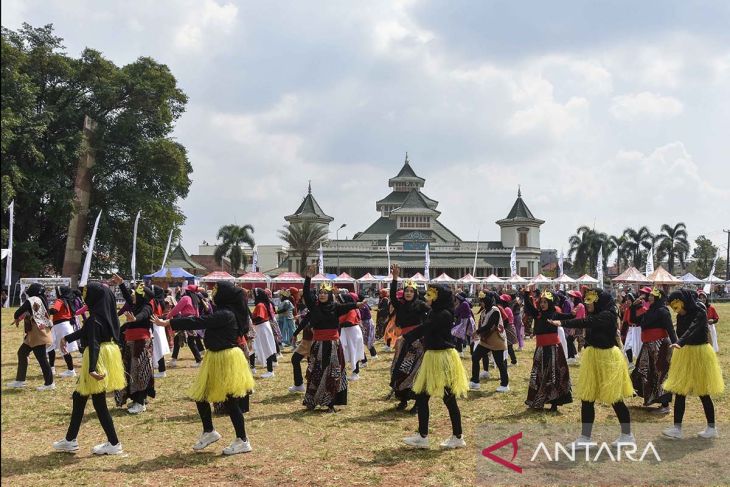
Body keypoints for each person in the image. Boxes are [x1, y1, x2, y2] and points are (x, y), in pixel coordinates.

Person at [153, 281, 256, 454]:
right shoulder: (226, 312)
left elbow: (199, 320)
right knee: (201, 396)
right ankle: (209, 432)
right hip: (215, 357)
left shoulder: (226, 314)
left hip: (227, 359)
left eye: (216, 291)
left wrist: (170, 322)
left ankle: (242, 440)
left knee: (231, 401)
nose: (213, 294)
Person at [548, 288, 636, 447]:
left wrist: (563, 322)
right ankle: (585, 438)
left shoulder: (608, 315)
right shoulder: (595, 314)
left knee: (615, 398)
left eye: (590, 300)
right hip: (592, 357)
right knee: (587, 398)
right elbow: (585, 320)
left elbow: (585, 322)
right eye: (585, 300)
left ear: (598, 301)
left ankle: (627, 435)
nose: (586, 304)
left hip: (608, 358)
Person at [53, 282, 126, 454]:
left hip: (97, 358)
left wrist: (92, 368)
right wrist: (67, 338)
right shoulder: (106, 315)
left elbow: (93, 343)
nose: (85, 297)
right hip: (107, 354)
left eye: (87, 294)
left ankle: (114, 444)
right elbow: (87, 332)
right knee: (79, 397)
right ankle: (70, 439)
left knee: (99, 402)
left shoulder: (94, 319)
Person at [403, 284, 468, 449]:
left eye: (431, 295)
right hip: (432, 357)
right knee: (423, 396)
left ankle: (458, 436)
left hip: (443, 358)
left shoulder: (444, 314)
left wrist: (407, 337)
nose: (428, 298)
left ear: (439, 297)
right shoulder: (434, 312)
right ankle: (423, 436)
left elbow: (426, 327)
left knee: (449, 398)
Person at [662, 289, 725, 440]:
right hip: (684, 353)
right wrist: (679, 343)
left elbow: (693, 328)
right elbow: (682, 330)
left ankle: (711, 428)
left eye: (678, 307)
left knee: (703, 392)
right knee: (680, 391)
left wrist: (679, 342)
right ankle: (677, 428)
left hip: (700, 354)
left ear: (684, 302)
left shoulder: (700, 310)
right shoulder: (681, 315)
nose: (678, 311)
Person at [301, 264, 359, 412]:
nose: (322, 295)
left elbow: (349, 305)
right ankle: (312, 401)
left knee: (333, 373)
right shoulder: (315, 308)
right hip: (318, 345)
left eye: (325, 293)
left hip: (333, 346)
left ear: (330, 295)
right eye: (320, 292)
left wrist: (359, 304)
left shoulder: (335, 307)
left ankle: (330, 403)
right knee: (316, 372)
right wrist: (308, 278)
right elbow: (307, 294)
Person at [521, 287, 573, 411]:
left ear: (550, 303)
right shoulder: (537, 314)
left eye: (545, 302)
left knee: (554, 375)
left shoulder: (554, 313)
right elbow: (528, 306)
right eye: (541, 302)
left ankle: (555, 403)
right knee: (538, 374)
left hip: (553, 349)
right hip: (540, 349)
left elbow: (566, 316)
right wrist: (527, 293)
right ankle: (538, 401)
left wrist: (573, 314)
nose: (543, 304)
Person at [111, 274, 156, 414]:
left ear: (142, 296)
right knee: (131, 371)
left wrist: (135, 319)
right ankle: (136, 399)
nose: (133, 296)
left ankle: (141, 402)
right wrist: (121, 284)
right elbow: (127, 296)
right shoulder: (135, 305)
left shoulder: (147, 307)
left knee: (140, 372)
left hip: (141, 344)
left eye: (135, 294)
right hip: (131, 343)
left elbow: (144, 315)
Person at [389, 264, 430, 413]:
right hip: (404, 341)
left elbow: (432, 316)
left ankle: (418, 404)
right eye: (406, 290)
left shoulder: (421, 305)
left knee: (414, 372)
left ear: (415, 293)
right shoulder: (400, 306)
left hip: (418, 343)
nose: (408, 293)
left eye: (411, 291)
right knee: (399, 370)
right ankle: (403, 399)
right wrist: (395, 278)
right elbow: (392, 296)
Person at [630, 288, 676, 413]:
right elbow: (635, 320)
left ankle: (665, 405)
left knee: (660, 373)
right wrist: (634, 307)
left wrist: (676, 343)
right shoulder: (650, 311)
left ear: (658, 297)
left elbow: (670, 329)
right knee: (644, 369)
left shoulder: (662, 311)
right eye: (649, 295)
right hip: (648, 346)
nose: (649, 297)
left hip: (660, 346)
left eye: (651, 295)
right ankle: (649, 397)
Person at [7, 283, 55, 390]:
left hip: (38, 333)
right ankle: (20, 380)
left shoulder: (33, 299)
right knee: (22, 353)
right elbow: (29, 312)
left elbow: (18, 312)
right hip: (35, 332)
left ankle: (49, 383)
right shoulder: (42, 299)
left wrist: (17, 317)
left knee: (42, 358)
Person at [469, 291, 509, 392]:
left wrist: (476, 332)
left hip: (496, 340)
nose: (480, 303)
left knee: (500, 362)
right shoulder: (484, 311)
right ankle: (475, 381)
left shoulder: (495, 310)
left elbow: (489, 325)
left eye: (482, 301)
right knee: (475, 357)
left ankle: (505, 384)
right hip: (486, 340)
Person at [168, 285, 204, 367]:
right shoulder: (195, 299)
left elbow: (177, 309)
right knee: (178, 339)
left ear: (187, 291)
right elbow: (197, 313)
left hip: (186, 321)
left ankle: (198, 360)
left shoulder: (186, 298)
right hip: (193, 320)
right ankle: (174, 360)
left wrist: (168, 316)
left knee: (189, 341)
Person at [48, 285, 80, 378]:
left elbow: (54, 310)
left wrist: (44, 311)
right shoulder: (68, 301)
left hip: (60, 326)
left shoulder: (60, 300)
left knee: (53, 347)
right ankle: (68, 370)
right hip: (65, 326)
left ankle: (67, 370)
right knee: (62, 348)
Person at [251, 288, 278, 378]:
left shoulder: (260, 305)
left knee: (267, 348)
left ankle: (270, 371)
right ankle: (270, 369)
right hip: (263, 327)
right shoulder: (262, 304)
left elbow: (259, 317)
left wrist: (250, 320)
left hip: (262, 327)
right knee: (267, 347)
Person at [338, 291, 365, 381]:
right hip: (347, 332)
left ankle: (355, 373)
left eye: (339, 300)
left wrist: (337, 324)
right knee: (346, 352)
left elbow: (349, 322)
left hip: (353, 332)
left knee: (354, 352)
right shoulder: (342, 310)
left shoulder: (351, 310)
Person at [359, 293, 378, 367]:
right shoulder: (364, 304)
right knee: (367, 340)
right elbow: (370, 309)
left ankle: (365, 361)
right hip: (368, 322)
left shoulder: (362, 306)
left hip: (365, 323)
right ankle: (374, 355)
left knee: (364, 341)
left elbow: (361, 316)